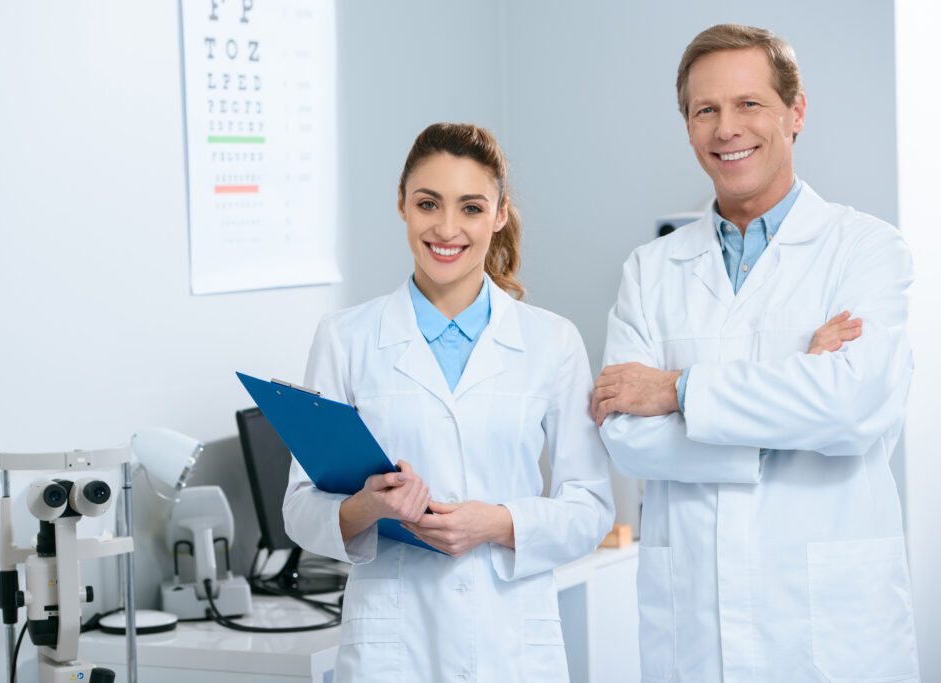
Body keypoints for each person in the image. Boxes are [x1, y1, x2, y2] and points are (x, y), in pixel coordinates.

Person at [592, 24, 919, 682]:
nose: (726, 128)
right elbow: (627, 439)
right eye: (705, 109)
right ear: (687, 126)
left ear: (795, 112)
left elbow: (852, 408)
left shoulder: (867, 250)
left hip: (830, 637)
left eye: (749, 104)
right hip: (694, 632)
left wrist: (676, 392)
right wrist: (797, 395)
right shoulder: (649, 269)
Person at [284, 122, 615, 682]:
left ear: (500, 215)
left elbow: (589, 507)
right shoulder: (345, 337)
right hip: (393, 647)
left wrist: (496, 522)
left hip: (511, 644)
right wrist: (371, 505)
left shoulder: (551, 341)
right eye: (428, 204)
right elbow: (299, 508)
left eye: (470, 208)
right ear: (402, 206)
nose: (446, 228)